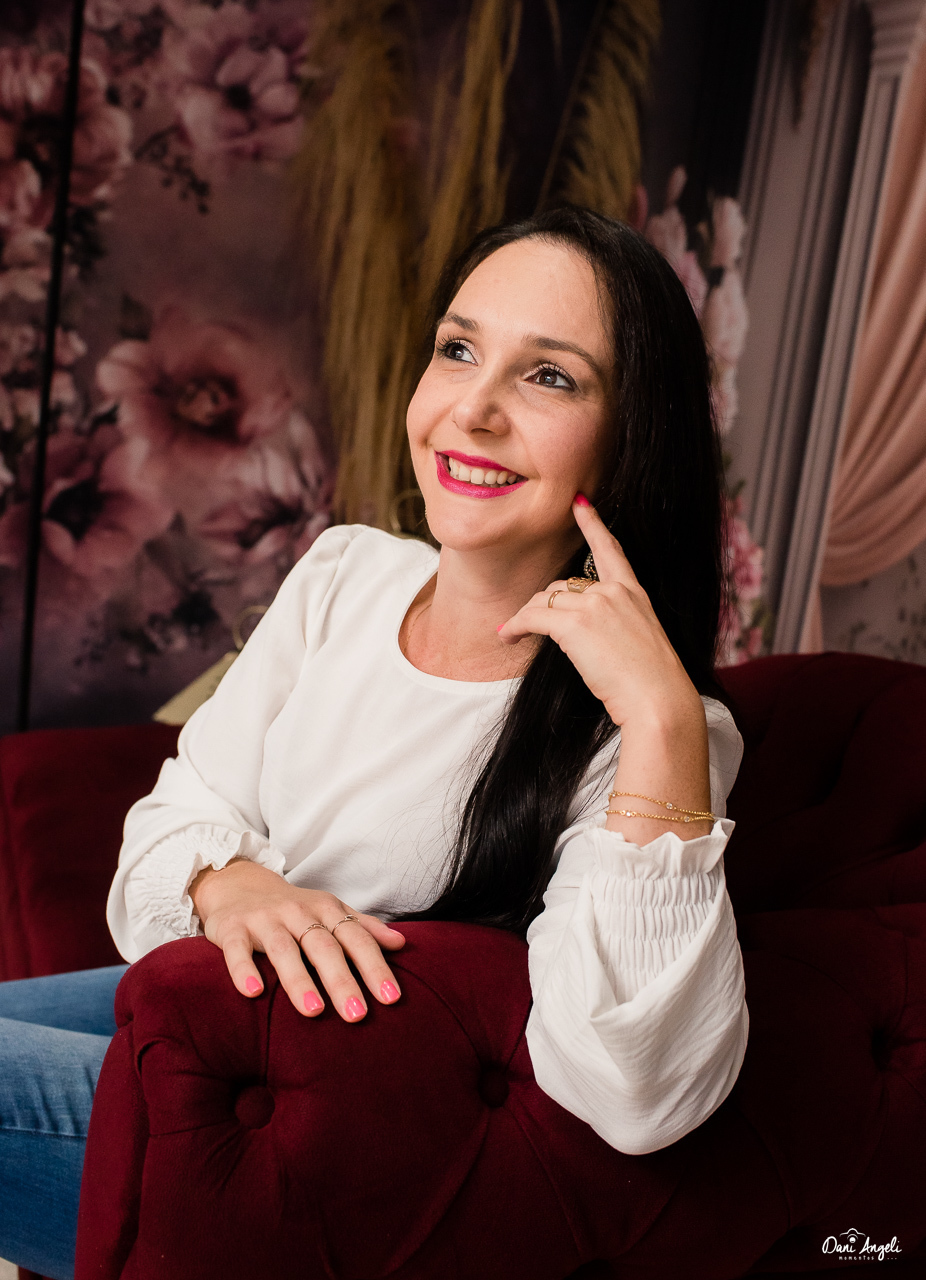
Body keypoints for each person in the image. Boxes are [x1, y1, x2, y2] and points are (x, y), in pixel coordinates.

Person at [0, 206, 747, 1280]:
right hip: (212, 1011)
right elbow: (169, 826)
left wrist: (664, 719)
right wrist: (229, 882)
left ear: (634, 435)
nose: (472, 410)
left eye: (549, 377)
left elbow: (640, 1094)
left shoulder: (652, 730)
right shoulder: (345, 572)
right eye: (458, 349)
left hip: (299, 1138)